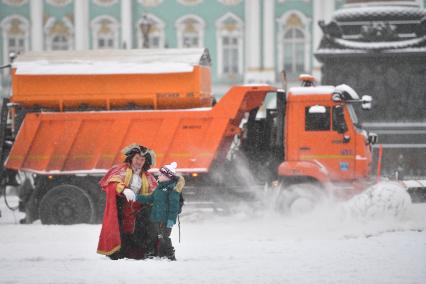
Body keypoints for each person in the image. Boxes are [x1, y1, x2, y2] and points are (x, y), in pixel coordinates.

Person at [96, 143, 158, 260]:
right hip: (122, 207)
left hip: (139, 210)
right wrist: (123, 190)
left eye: (142, 159)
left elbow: (155, 192)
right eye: (137, 158)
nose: (139, 162)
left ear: (146, 161)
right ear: (131, 158)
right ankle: (118, 252)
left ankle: (141, 252)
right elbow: (112, 182)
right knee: (120, 230)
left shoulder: (148, 176)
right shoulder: (121, 170)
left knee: (144, 226)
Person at [136, 161, 184, 261]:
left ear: (168, 177)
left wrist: (171, 220)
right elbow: (150, 199)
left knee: (164, 237)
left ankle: (170, 255)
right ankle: (151, 253)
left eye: (161, 174)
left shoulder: (172, 190)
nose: (159, 176)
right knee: (152, 236)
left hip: (166, 220)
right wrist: (136, 197)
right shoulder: (159, 188)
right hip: (155, 218)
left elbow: (174, 208)